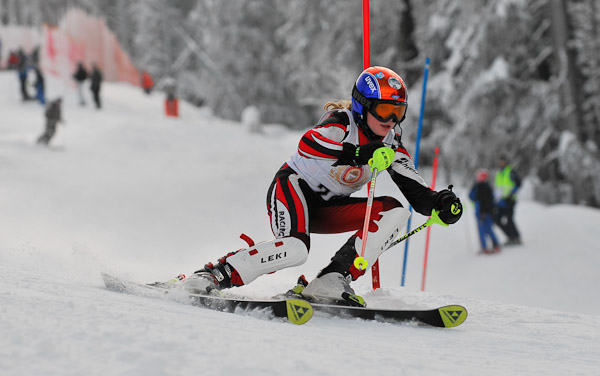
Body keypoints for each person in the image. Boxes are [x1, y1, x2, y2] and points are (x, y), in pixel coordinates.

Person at [168, 66, 463, 306]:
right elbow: (308, 144)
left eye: (398, 112)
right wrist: (359, 153)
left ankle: (332, 279)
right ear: (364, 106)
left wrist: (440, 203)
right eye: (385, 110)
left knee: (397, 211)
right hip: (292, 189)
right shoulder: (341, 123)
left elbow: (417, 193)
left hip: (328, 209)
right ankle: (213, 275)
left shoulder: (390, 145)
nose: (391, 121)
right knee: (296, 249)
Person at [469, 169, 500, 254]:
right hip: (485, 212)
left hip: (482, 212)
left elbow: (474, 197)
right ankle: (494, 245)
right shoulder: (485, 187)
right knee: (488, 229)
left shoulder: (481, 187)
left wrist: (483, 212)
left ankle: (487, 246)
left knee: (483, 230)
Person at [494, 155, 522, 245]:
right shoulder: (498, 173)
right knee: (497, 219)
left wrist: (511, 194)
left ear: (506, 162)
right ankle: (510, 236)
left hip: (510, 200)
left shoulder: (510, 171)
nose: (501, 163)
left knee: (509, 219)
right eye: (500, 161)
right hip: (501, 201)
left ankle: (516, 237)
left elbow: (518, 184)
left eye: (503, 161)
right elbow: (498, 187)